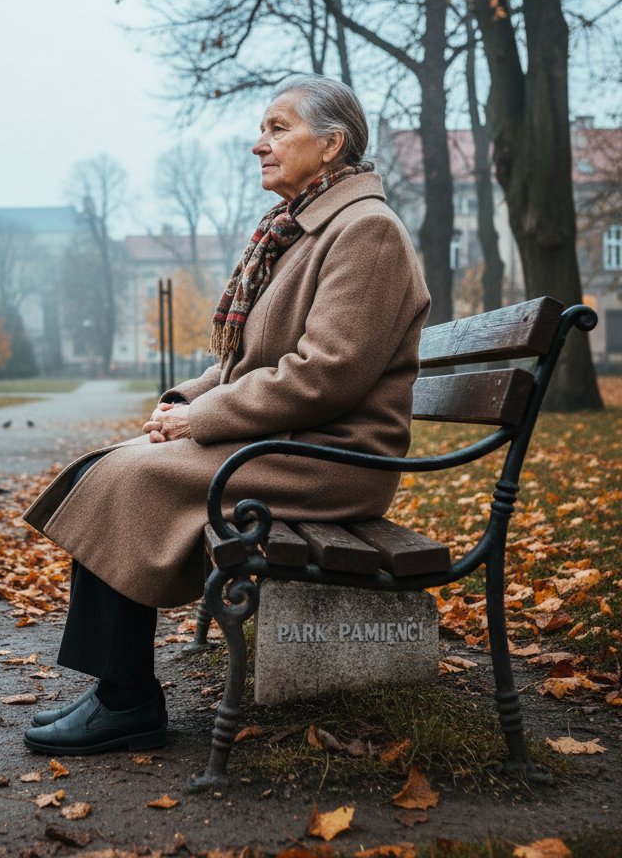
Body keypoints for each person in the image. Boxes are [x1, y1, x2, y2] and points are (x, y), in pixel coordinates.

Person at [21, 75, 430, 756]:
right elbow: (249, 359)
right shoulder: (298, 232)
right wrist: (188, 396)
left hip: (336, 458)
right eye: (262, 130)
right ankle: (117, 690)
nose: (257, 144)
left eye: (277, 129)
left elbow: (323, 374)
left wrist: (205, 420)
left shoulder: (366, 233)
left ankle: (126, 702)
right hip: (291, 442)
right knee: (116, 467)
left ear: (331, 145)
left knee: (131, 478)